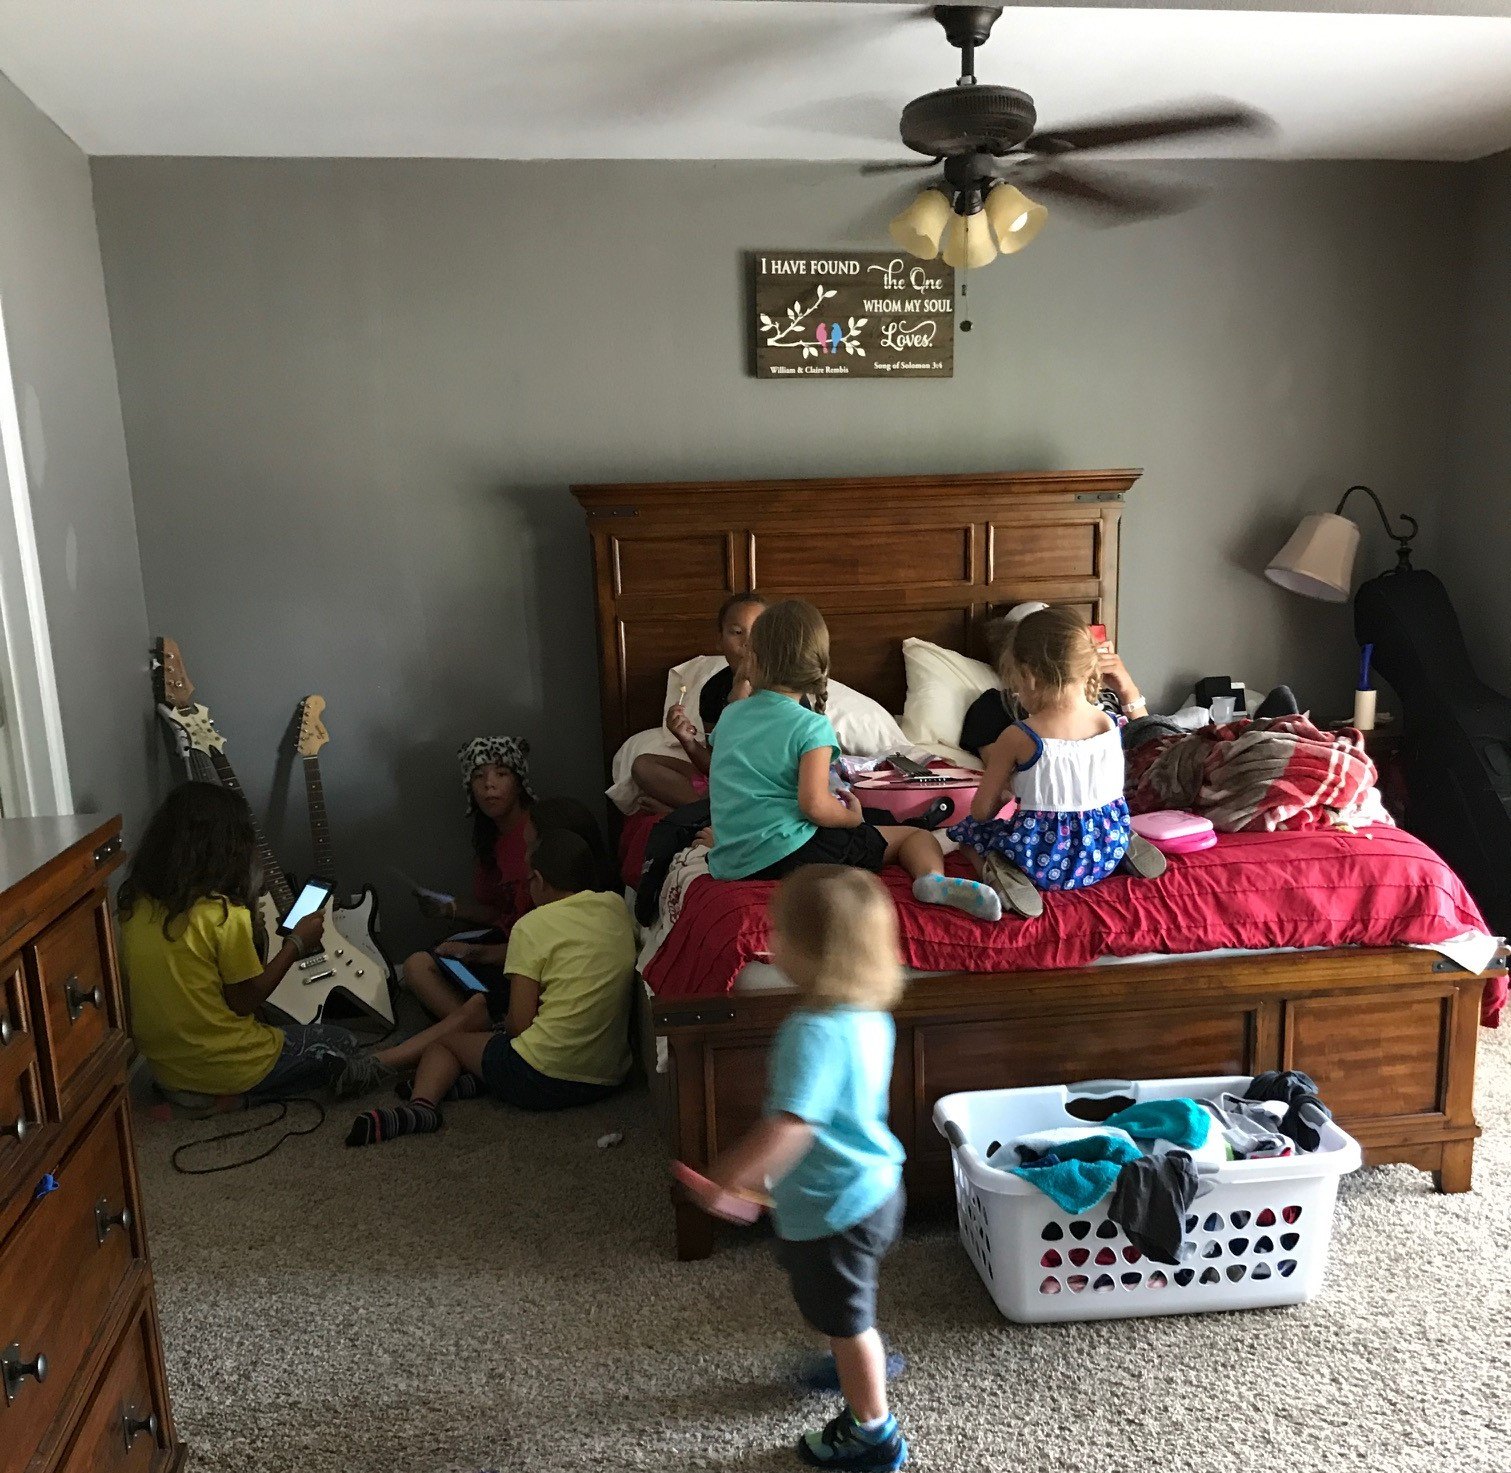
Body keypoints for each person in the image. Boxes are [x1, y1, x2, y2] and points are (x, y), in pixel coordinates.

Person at [680, 866, 909, 1470]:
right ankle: (855, 1355)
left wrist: (731, 1176)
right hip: (875, 1187)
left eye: (780, 930)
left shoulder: (810, 1032)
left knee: (846, 1317)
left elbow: (792, 1127)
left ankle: (873, 1432)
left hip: (838, 1206)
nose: (770, 940)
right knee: (841, 1300)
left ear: (813, 951)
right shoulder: (869, 1014)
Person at [707, 598, 1003, 922]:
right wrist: (851, 819)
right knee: (914, 835)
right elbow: (815, 805)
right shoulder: (811, 726)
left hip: (733, 861)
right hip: (793, 852)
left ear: (752, 658)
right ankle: (932, 880)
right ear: (818, 664)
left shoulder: (730, 715)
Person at [345, 829, 636, 1146]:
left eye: (528, 880)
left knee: (446, 1044)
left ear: (539, 880)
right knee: (482, 1044)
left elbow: (519, 1025)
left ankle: (422, 1107)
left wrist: (501, 1028)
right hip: (608, 1077)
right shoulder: (616, 907)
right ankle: (469, 1080)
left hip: (542, 1077)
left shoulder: (532, 926)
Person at [118, 782, 366, 1100]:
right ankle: (232, 1099)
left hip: (167, 1070)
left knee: (275, 1031)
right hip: (230, 1065)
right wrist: (296, 943)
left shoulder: (135, 906)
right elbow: (245, 1001)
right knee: (343, 1042)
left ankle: (191, 1093)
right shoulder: (223, 915)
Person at [947, 606, 1158, 920]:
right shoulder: (1110, 724)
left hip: (1042, 861)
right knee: (1099, 813)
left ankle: (1002, 873)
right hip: (1103, 851)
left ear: (1029, 677)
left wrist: (1003, 796)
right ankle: (1124, 841)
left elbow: (981, 811)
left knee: (969, 835)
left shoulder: (1018, 736)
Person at [399, 735, 536, 1020]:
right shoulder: (490, 837)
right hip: (505, 942)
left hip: (531, 959)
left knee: (424, 967)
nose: (489, 785)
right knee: (418, 966)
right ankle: (479, 1026)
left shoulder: (538, 833)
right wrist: (450, 908)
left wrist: (476, 953)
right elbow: (502, 912)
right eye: (478, 776)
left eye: (501, 774)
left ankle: (480, 1030)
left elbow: (547, 939)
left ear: (519, 781)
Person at [632, 591, 768, 812]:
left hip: (767, 787)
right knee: (643, 765)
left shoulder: (783, 688)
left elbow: (778, 767)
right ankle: (705, 810)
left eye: (759, 632)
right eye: (737, 632)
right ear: (720, 640)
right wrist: (688, 741)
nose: (747, 642)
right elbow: (716, 766)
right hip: (725, 783)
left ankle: (693, 812)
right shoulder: (714, 689)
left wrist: (740, 708)